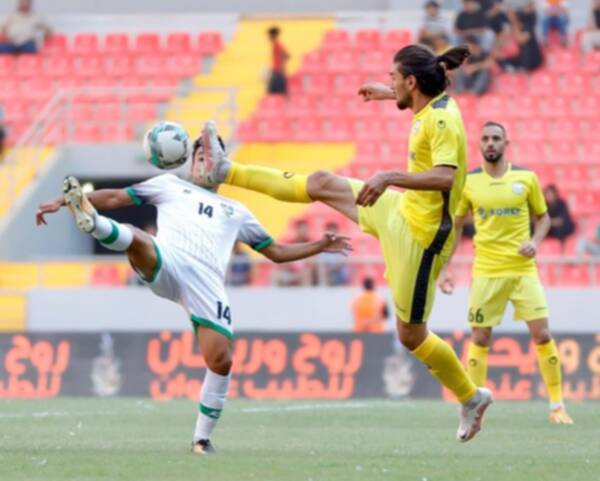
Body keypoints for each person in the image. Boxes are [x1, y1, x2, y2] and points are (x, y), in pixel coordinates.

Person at [200, 44, 494, 443]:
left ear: (412, 82)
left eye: (394, 78)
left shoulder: (442, 120)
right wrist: (389, 94)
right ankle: (225, 169)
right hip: (400, 210)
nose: (390, 82)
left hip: (421, 240)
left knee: (411, 335)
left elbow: (446, 177)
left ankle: (471, 397)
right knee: (322, 182)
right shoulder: (427, 104)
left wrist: (388, 176)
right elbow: (420, 115)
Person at [35, 133, 351, 455]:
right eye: (199, 155)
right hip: (168, 260)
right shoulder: (169, 186)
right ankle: (93, 222)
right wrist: (65, 201)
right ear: (191, 162)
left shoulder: (237, 211)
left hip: (207, 284)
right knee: (140, 240)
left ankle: (201, 440)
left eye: (209, 157)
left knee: (221, 360)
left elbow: (276, 252)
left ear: (221, 166)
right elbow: (116, 197)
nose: (203, 161)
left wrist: (319, 245)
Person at [438, 122, 573, 424]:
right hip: (486, 270)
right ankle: (473, 409)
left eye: (496, 138)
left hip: (523, 270)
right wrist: (445, 268)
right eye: (485, 138)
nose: (490, 143)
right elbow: (456, 227)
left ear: (505, 144)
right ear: (479, 144)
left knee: (543, 334)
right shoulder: (469, 183)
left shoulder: (526, 178)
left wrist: (534, 242)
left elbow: (544, 219)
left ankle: (557, 406)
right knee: (480, 337)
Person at [497, 1, 544, 72]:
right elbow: (502, 41)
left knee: (526, 46)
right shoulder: (512, 27)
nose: (509, 17)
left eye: (511, 15)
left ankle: (521, 68)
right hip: (521, 56)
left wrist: (514, 24)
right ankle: (511, 68)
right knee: (500, 58)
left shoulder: (527, 26)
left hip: (533, 59)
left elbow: (521, 40)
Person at [316, 221, 351, 286]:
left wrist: (331, 269)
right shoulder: (322, 247)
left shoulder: (344, 245)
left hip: (339, 274)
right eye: (330, 232)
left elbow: (343, 263)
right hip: (327, 274)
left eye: (334, 232)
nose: (332, 235)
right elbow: (321, 264)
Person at [544, 184, 575, 248]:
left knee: (559, 230)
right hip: (550, 229)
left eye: (550, 194)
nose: (548, 196)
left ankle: (562, 248)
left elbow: (560, 221)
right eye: (547, 194)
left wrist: (547, 222)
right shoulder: (544, 205)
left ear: (555, 194)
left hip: (562, 229)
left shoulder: (561, 204)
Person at [266, 26, 289, 95]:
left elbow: (285, 55)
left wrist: (281, 67)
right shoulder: (277, 44)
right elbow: (286, 55)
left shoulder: (278, 45)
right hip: (277, 70)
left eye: (270, 35)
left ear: (273, 35)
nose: (269, 37)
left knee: (274, 92)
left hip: (278, 71)